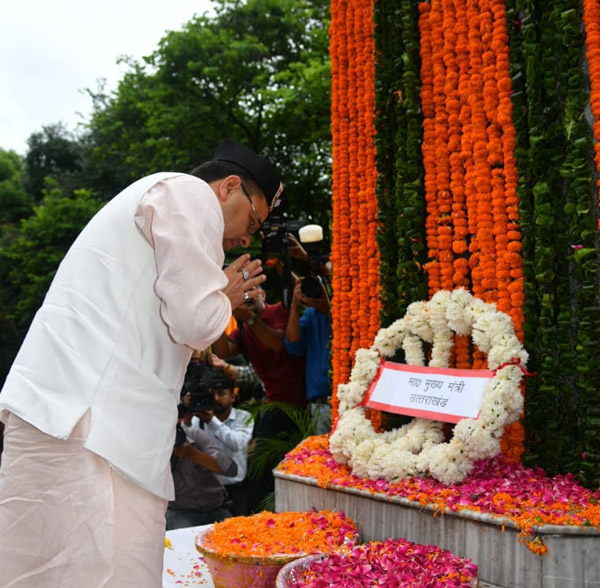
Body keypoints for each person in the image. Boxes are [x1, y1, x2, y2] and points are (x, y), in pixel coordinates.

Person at [0, 139, 284, 588]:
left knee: (43, 569)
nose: (248, 237)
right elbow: (196, 323)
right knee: (106, 572)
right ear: (229, 188)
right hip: (94, 431)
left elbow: (175, 335)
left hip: (69, 416)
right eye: (254, 219)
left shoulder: (154, 197)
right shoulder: (189, 194)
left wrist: (215, 300)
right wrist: (223, 298)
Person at [187, 370, 254, 516]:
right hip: (207, 490)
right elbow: (187, 444)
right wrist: (187, 415)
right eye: (213, 394)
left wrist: (212, 421)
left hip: (236, 489)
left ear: (232, 397)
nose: (216, 398)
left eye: (221, 393)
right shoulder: (198, 419)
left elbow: (237, 444)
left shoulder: (244, 417)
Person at [167, 408, 238, 530]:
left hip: (215, 508)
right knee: (182, 542)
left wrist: (194, 454)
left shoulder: (194, 434)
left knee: (237, 537)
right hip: (179, 511)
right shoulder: (155, 447)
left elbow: (231, 469)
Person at [284, 272, 332, 435]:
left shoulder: (351, 309)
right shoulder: (311, 315)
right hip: (321, 405)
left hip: (350, 403)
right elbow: (293, 344)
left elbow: (333, 311)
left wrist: (325, 305)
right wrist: (295, 306)